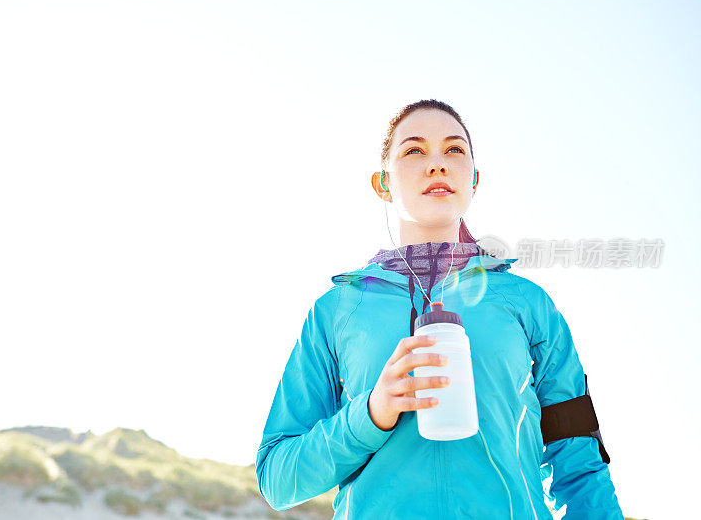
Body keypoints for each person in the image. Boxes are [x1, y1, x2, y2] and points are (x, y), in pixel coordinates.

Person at [255, 99, 624, 519]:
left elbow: (580, 463)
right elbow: (276, 479)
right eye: (413, 151)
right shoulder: (336, 311)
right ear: (383, 183)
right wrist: (370, 415)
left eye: (454, 150)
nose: (438, 165)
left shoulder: (528, 303)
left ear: (474, 178)